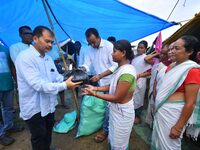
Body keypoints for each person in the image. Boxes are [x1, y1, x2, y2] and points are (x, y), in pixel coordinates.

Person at [15, 26, 81, 150]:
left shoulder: (48, 58)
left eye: (51, 42)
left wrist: (67, 79)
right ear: (35, 38)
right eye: (47, 41)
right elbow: (38, 85)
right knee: (38, 136)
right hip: (34, 107)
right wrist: (65, 85)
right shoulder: (25, 57)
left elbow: (55, 77)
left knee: (48, 131)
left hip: (49, 105)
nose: (50, 45)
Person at [82, 40, 137, 149]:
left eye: (114, 51)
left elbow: (117, 98)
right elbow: (111, 86)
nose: (111, 54)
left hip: (122, 114)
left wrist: (94, 94)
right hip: (116, 111)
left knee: (119, 144)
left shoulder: (127, 73)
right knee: (114, 139)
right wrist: (96, 88)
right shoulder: (119, 68)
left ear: (123, 53)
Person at [151, 35, 200, 150]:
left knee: (169, 145)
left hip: (173, 116)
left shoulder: (192, 70)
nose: (172, 51)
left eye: (177, 48)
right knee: (157, 142)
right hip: (162, 111)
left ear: (189, 51)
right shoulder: (170, 67)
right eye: (172, 48)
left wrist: (178, 127)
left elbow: (190, 103)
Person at [80, 28, 118, 142]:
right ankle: (106, 125)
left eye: (94, 42)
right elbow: (87, 64)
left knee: (109, 107)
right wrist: (82, 68)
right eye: (89, 43)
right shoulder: (89, 49)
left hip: (112, 82)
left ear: (98, 37)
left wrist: (100, 75)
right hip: (100, 82)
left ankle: (106, 131)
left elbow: (115, 65)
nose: (92, 45)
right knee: (105, 106)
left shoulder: (108, 46)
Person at [0, 44, 24, 146]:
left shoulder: (6, 49)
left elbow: (12, 66)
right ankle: (1, 134)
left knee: (8, 108)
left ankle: (9, 126)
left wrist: (16, 81)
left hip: (7, 83)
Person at [146, 45, 171, 127]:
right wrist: (156, 52)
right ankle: (151, 124)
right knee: (151, 108)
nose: (162, 56)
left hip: (160, 93)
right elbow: (146, 59)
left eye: (165, 54)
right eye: (161, 53)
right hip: (153, 90)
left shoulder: (170, 67)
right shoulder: (157, 63)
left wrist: (155, 92)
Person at [131, 40, 152, 124]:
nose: (139, 49)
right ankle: (131, 115)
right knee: (132, 98)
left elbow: (150, 71)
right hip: (133, 80)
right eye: (138, 47)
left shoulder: (146, 58)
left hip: (141, 82)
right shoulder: (135, 58)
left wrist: (139, 76)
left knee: (139, 99)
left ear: (145, 49)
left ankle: (137, 116)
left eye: (141, 48)